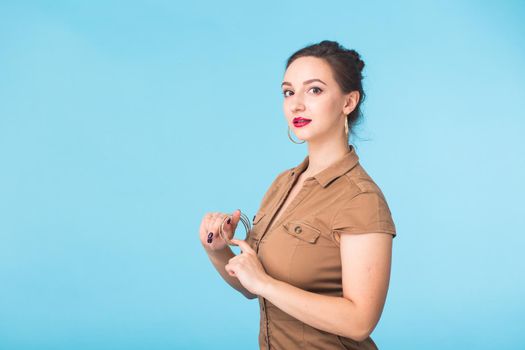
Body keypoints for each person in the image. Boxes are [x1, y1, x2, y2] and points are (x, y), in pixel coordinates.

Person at [199, 40, 397, 350]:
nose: (296, 104)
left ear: (348, 102)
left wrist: (264, 283)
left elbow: (360, 322)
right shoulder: (283, 184)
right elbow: (253, 287)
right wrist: (218, 250)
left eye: (314, 90)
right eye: (289, 92)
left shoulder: (361, 199)